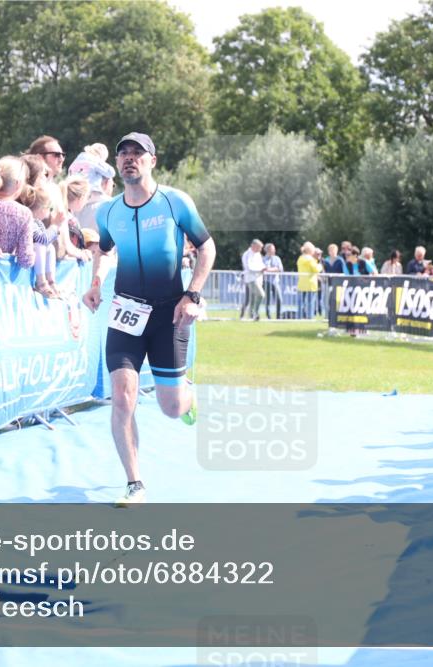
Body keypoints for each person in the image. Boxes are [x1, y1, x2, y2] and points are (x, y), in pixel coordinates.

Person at [82, 132, 216, 506]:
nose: (129, 159)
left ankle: (187, 396)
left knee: (172, 408)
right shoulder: (107, 211)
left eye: (137, 154)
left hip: (169, 313)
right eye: (123, 153)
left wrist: (192, 294)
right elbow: (105, 251)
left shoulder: (175, 202)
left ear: (152, 161)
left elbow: (207, 246)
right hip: (126, 312)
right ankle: (134, 482)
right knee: (123, 398)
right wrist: (96, 283)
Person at [68, 145, 116, 234]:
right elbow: (111, 172)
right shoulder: (94, 160)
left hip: (75, 196)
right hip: (92, 194)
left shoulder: (76, 161)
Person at [239, 239, 265, 320]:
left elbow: (261, 265)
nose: (260, 250)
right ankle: (254, 313)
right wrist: (260, 270)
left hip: (258, 278)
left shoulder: (258, 254)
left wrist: (263, 269)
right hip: (250, 279)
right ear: (254, 246)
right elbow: (249, 267)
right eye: (259, 248)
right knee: (261, 295)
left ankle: (251, 315)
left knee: (252, 298)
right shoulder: (247, 254)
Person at [296, 241, 322, 318]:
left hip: (301, 283)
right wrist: (320, 265)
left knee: (301, 303)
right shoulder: (310, 259)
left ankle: (299, 317)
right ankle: (310, 317)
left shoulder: (300, 258)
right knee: (310, 302)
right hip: (311, 284)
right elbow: (316, 269)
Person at [262, 242, 283, 319]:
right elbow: (263, 270)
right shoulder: (263, 259)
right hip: (266, 282)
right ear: (267, 250)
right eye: (272, 249)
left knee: (279, 299)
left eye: (274, 249)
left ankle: (278, 316)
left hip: (275, 282)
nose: (274, 251)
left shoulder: (277, 258)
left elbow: (280, 269)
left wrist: (270, 270)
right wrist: (274, 269)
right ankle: (268, 316)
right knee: (267, 300)